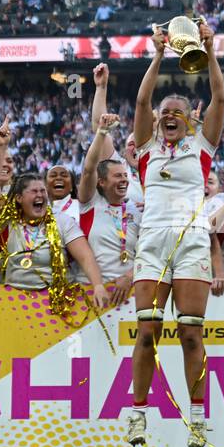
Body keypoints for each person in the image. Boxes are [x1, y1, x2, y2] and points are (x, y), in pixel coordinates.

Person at [124, 21, 224, 447]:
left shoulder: (202, 146)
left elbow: (220, 97)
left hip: (192, 243)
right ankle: (139, 415)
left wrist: (209, 47)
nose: (167, 115)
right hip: (152, 243)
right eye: (164, 112)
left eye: (177, 111)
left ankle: (198, 420)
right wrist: (158, 54)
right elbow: (143, 97)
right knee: (147, 331)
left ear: (190, 119)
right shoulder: (145, 146)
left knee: (190, 334)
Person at [0, 172, 110, 311]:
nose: (40, 195)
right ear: (19, 198)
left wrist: (98, 286)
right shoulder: (8, 223)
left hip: (56, 303)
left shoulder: (62, 221)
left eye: (42, 191)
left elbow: (85, 256)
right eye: (34, 191)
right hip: (15, 301)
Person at [78, 107, 141, 306]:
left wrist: (129, 276)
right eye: (117, 176)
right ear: (102, 182)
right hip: (90, 292)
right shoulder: (90, 204)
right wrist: (102, 132)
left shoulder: (136, 211)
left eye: (125, 176)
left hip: (128, 294)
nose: (124, 180)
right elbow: (89, 170)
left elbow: (147, 253)